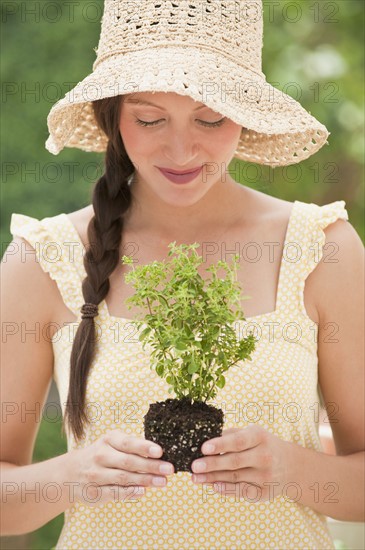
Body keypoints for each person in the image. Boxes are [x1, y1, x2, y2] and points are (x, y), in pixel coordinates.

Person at [1, 0, 364, 548]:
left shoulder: (321, 248)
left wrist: (291, 468)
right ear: (112, 114)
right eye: (149, 119)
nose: (181, 149)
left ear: (244, 112)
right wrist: (70, 477)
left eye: (210, 118)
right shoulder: (42, 257)